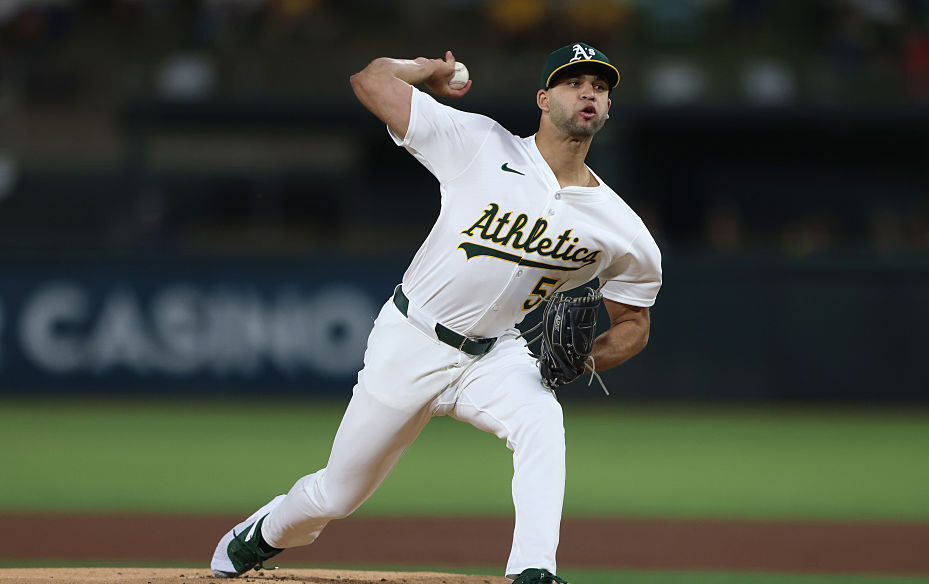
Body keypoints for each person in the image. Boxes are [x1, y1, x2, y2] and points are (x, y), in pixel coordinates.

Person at [210, 42, 662, 584]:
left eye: (601, 86)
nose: (589, 91)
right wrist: (427, 72)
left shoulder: (622, 227)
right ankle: (260, 535)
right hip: (412, 338)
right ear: (544, 98)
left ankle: (533, 571)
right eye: (574, 81)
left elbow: (633, 322)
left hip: (497, 353)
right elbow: (370, 82)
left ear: (607, 108)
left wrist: (588, 358)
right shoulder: (478, 143)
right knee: (339, 493)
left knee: (542, 420)